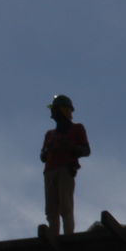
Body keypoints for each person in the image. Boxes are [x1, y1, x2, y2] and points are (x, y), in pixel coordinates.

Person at [40, 94, 90, 235]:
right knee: (51, 209)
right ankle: (54, 235)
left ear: (63, 110)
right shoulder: (50, 134)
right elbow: (43, 157)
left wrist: (70, 147)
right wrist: (47, 151)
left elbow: (86, 150)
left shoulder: (77, 128)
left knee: (65, 206)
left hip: (65, 169)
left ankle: (68, 235)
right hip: (50, 171)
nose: (52, 112)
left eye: (55, 109)